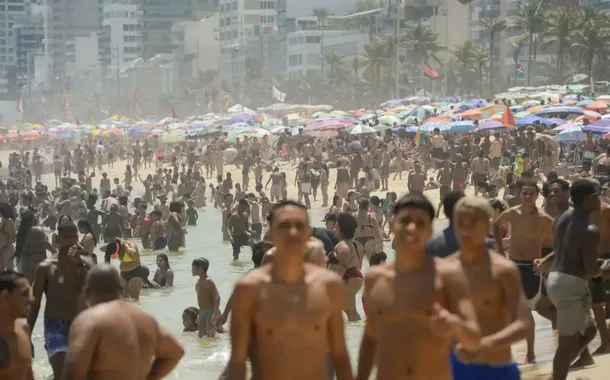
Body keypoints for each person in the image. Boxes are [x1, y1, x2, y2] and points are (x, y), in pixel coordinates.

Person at [357, 193, 480, 380]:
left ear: (430, 230)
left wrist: (454, 325)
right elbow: (370, 339)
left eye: (420, 223)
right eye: (405, 221)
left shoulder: (450, 277)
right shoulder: (375, 278)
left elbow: (475, 337)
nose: (412, 228)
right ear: (392, 224)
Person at [228, 201, 352, 380]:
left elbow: (339, 353)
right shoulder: (249, 288)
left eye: (299, 226)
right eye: (284, 225)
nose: (293, 232)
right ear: (270, 232)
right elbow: (238, 360)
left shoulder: (328, 286)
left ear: (308, 233)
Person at [449, 197, 531, 380]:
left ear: (487, 226)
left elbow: (524, 324)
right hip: (455, 369)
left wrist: (485, 344)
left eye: (472, 224)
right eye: (460, 224)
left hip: (496, 369)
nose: (465, 231)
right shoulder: (444, 271)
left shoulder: (503, 271)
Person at [60, 264, 184, 380]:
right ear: (120, 289)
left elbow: (72, 373)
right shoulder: (146, 320)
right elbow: (176, 352)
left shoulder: (89, 320)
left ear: (86, 292)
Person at [535, 180, 602, 379]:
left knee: (589, 331)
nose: (599, 200)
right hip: (570, 285)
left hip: (556, 278)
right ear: (589, 199)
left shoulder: (562, 218)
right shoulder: (591, 230)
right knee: (566, 344)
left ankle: (558, 371)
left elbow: (561, 251)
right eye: (597, 196)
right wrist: (605, 270)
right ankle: (558, 374)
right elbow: (591, 270)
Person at [491, 179, 554, 363]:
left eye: (531, 194)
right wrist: (501, 253)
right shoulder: (512, 213)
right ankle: (506, 352)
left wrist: (546, 261)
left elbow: (557, 241)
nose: (527, 197)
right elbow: (495, 226)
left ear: (536, 195)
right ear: (520, 194)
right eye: (524, 193)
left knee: (528, 310)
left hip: (532, 268)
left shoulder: (543, 219)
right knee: (507, 309)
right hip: (513, 265)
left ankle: (531, 352)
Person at [28, 222, 94, 379]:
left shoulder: (87, 261)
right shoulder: (45, 267)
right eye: (66, 238)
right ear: (57, 240)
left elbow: (94, 287)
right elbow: (35, 302)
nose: (72, 242)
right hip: (55, 326)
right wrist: (27, 333)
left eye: (74, 237)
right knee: (60, 372)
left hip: (82, 325)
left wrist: (79, 263)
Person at [0, 270, 34, 380]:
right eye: (25, 294)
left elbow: (28, 375)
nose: (31, 300)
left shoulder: (24, 329)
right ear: (5, 296)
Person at [334, 212, 363, 321]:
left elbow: (344, 265)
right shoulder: (354, 243)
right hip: (354, 275)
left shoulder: (343, 245)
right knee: (349, 309)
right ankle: (356, 330)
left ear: (342, 229)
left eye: (336, 227)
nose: (334, 229)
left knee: (348, 309)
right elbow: (359, 263)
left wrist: (335, 281)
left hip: (348, 277)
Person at [14, 211, 56, 283]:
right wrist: (55, 252)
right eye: (34, 217)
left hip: (24, 260)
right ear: (31, 220)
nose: (36, 217)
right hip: (37, 259)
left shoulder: (22, 230)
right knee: (40, 285)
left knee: (28, 286)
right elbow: (45, 243)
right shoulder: (38, 229)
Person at [192, 257, 220, 338]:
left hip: (211, 311)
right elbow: (201, 300)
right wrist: (200, 313)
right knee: (201, 335)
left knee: (210, 335)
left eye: (193, 267)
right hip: (202, 312)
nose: (191, 270)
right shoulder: (198, 283)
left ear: (199, 269)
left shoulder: (208, 281)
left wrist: (215, 313)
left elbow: (217, 296)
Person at [0, 203, 15, 270]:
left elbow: (11, 238)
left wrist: (8, 249)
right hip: (1, 249)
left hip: (6, 249)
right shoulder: (2, 220)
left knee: (9, 271)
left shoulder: (9, 221)